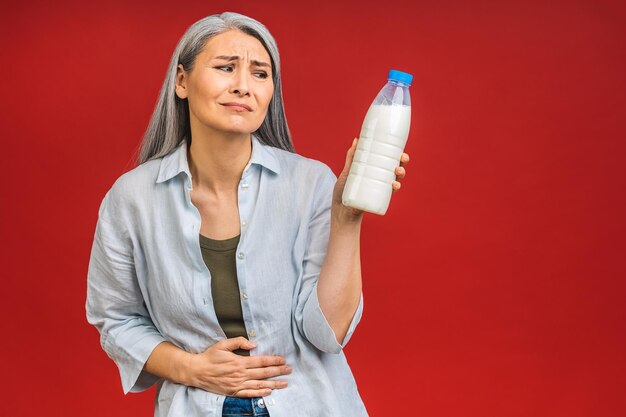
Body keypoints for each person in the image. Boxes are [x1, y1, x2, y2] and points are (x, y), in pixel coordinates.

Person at [86, 12, 409, 417]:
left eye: (260, 74)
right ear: (182, 82)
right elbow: (115, 318)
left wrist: (346, 217)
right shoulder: (131, 199)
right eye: (225, 68)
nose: (243, 85)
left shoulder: (311, 184)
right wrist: (193, 368)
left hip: (312, 404)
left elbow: (327, 334)